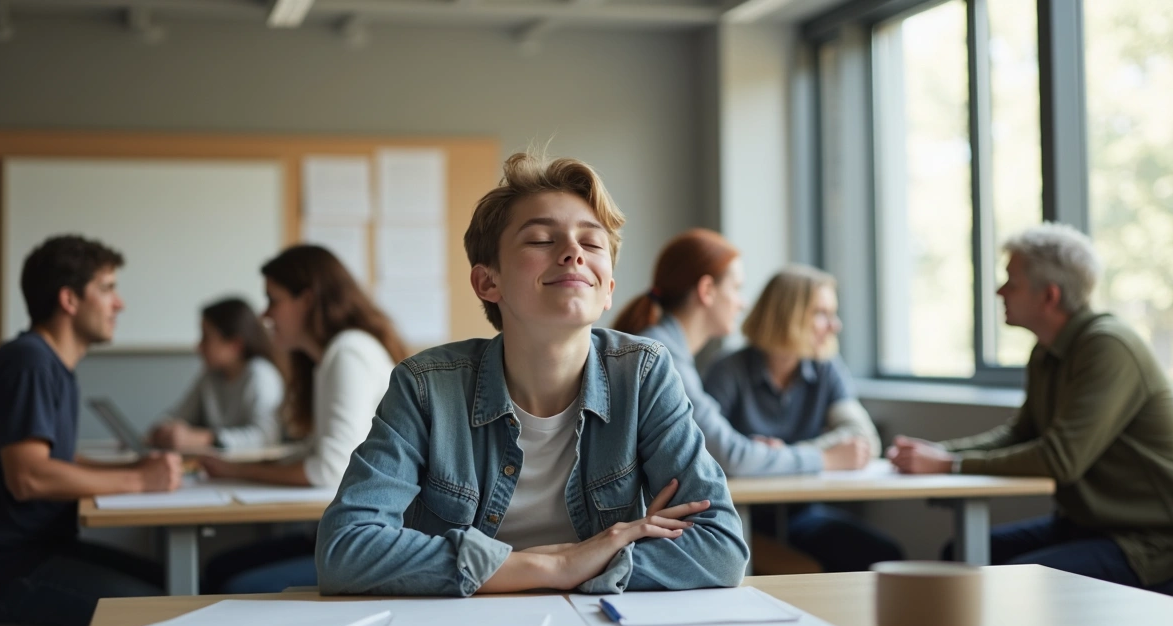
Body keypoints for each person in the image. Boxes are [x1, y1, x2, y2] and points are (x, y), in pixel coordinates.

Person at [315, 152, 748, 597]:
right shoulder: (426, 385)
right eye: (542, 239)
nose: (573, 253)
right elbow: (344, 550)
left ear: (607, 291)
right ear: (488, 283)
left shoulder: (643, 374)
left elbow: (720, 549)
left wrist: (561, 569)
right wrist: (558, 564)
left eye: (592, 243)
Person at [888, 223, 1173, 594]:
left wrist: (949, 465)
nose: (999, 290)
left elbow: (1060, 459)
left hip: (1150, 541)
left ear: (1049, 296)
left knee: (1014, 583)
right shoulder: (1046, 350)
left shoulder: (1108, 348)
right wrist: (941, 453)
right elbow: (1020, 434)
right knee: (958, 554)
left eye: (1012, 281)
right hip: (1087, 524)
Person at [0, 235, 182, 626]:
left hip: (36, 554)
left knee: (176, 588)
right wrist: (139, 480)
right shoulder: (31, 364)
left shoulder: (48, 364)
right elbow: (27, 477)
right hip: (5, 572)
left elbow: (55, 459)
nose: (120, 303)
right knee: (162, 613)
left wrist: (133, 466)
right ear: (70, 300)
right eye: (108, 289)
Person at [199, 246, 407, 594]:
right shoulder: (329, 358)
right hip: (350, 533)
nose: (265, 315)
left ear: (307, 300)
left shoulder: (348, 352)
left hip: (373, 543)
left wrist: (238, 471)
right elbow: (314, 450)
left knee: (234, 582)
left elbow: (330, 469)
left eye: (273, 300)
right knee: (219, 567)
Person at [703, 264, 903, 572]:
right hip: (739, 518)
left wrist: (784, 454)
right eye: (821, 313)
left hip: (800, 514)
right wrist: (829, 455)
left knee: (886, 555)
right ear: (785, 315)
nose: (834, 325)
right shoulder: (727, 371)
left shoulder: (826, 367)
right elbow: (709, 453)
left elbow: (863, 439)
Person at [149, 297, 284, 452]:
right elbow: (179, 415)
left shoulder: (260, 375)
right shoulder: (210, 377)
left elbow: (267, 437)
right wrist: (164, 430)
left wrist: (208, 439)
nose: (198, 346)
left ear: (235, 345)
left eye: (206, 337)